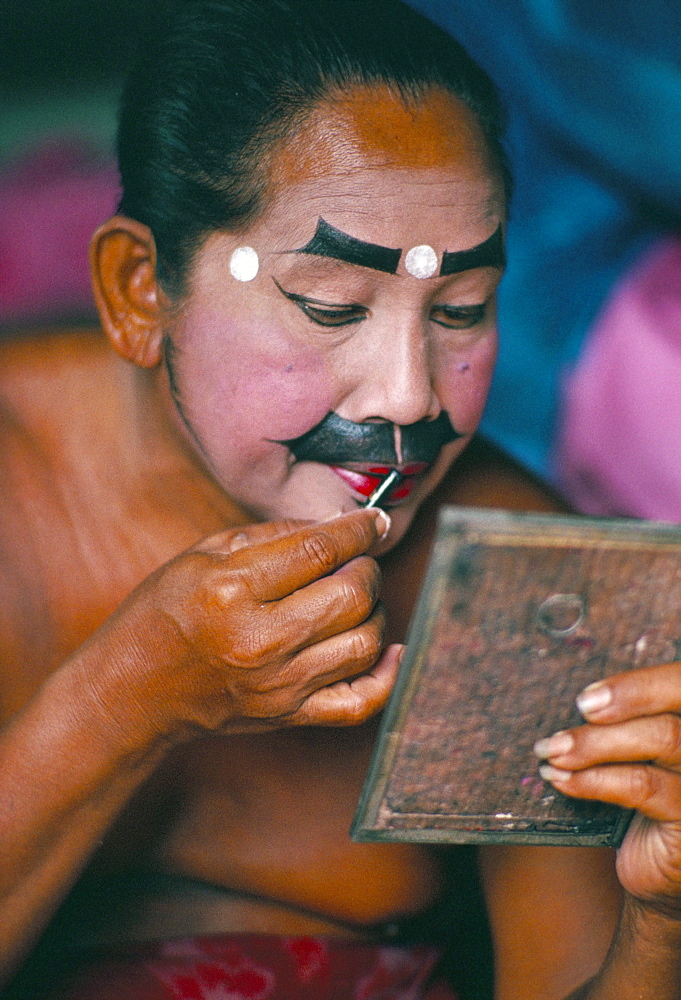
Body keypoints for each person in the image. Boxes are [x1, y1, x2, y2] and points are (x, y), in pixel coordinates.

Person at [1, 2, 680, 998]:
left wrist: (661, 926)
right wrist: (120, 699)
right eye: (331, 306)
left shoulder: (511, 574)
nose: (409, 395)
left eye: (460, 311)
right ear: (141, 289)